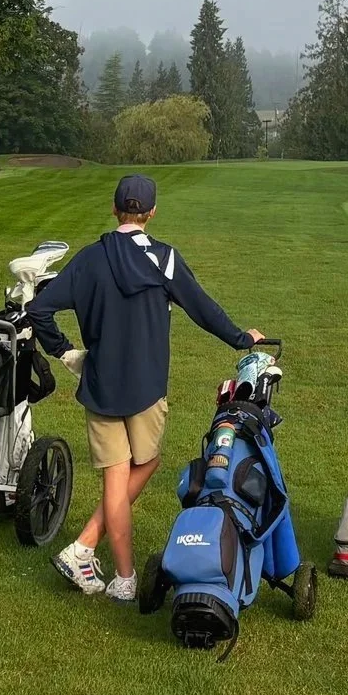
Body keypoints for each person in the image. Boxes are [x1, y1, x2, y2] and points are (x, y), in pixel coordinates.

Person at [24, 172, 265, 603]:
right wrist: (241, 339)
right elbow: (202, 307)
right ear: (151, 212)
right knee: (146, 463)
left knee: (116, 480)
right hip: (147, 385)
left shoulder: (89, 259)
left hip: (100, 386)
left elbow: (39, 308)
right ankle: (110, 567)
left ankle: (100, 559)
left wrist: (65, 352)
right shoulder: (164, 259)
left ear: (114, 209)